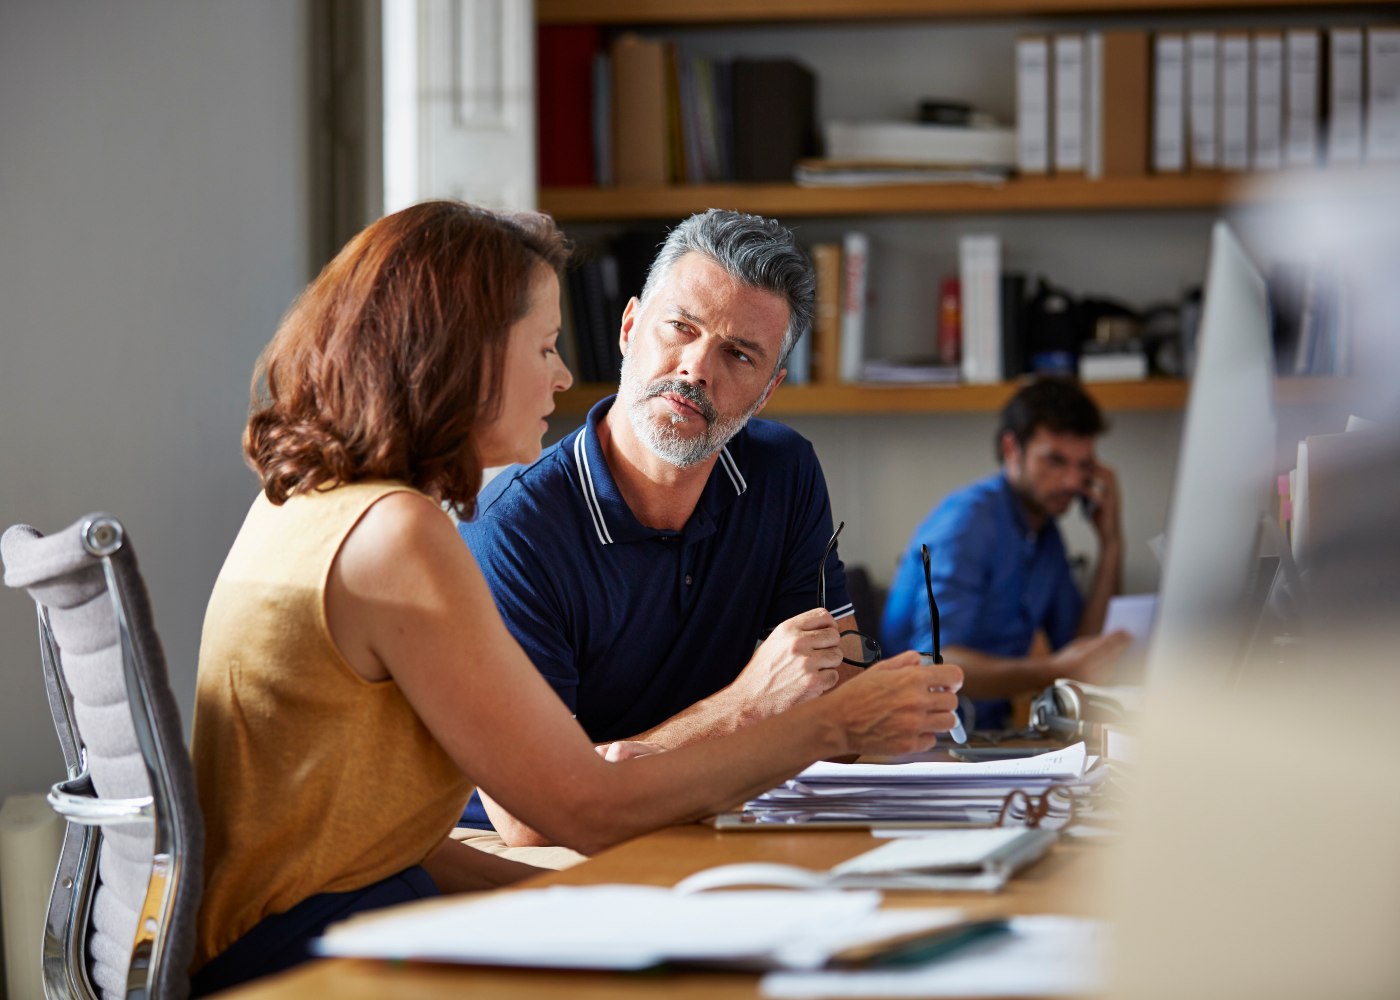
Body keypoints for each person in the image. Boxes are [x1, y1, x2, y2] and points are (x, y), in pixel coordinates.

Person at [189, 200, 960, 995]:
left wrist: (604, 903)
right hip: (297, 962)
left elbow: (374, 839)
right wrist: (824, 723)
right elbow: (580, 810)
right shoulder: (399, 536)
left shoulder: (307, 506)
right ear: (464, 355)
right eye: (546, 346)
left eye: (737, 353)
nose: (561, 376)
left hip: (309, 924)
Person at [459, 209, 921, 848]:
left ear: (767, 391)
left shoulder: (784, 471)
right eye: (681, 327)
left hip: (717, 823)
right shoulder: (511, 529)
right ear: (628, 328)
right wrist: (748, 709)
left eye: (739, 354)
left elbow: (833, 691)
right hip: (548, 863)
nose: (696, 370)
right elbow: (535, 818)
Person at [881, 377, 1131, 732]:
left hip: (985, 738)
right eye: (1056, 461)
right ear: (1012, 449)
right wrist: (1054, 671)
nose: (1073, 483)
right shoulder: (967, 524)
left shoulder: (1045, 535)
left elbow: (1083, 651)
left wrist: (1111, 543)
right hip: (917, 741)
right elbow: (934, 665)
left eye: (1084, 466)